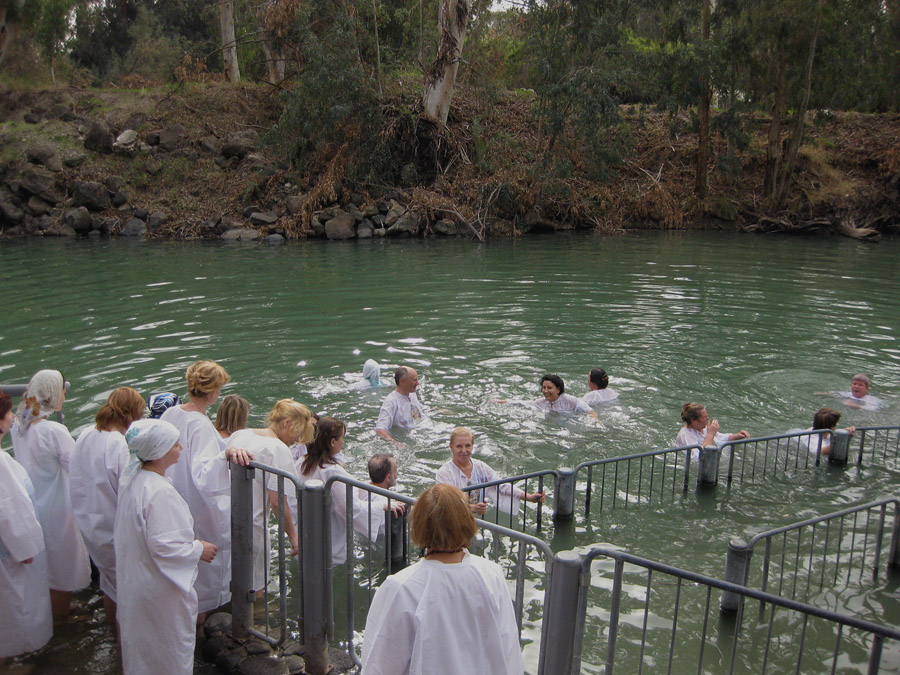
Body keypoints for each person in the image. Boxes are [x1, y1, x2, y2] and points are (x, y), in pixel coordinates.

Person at [360, 484, 525, 675]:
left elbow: (381, 663)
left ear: (419, 525)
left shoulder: (402, 587)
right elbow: (508, 647)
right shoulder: (492, 573)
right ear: (468, 521)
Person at [114, 418, 219, 675]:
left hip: (137, 582)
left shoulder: (133, 480)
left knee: (143, 647)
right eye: (175, 445)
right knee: (166, 648)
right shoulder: (158, 491)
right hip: (158, 590)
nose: (181, 448)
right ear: (159, 451)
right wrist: (198, 550)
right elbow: (165, 545)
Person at [159, 359, 239, 615]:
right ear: (213, 390)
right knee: (207, 567)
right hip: (199, 503)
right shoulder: (200, 424)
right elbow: (204, 473)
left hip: (175, 493)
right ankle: (203, 619)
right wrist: (226, 455)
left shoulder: (172, 413)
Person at [9, 369, 91, 617]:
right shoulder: (53, 431)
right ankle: (61, 618)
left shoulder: (17, 424)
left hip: (34, 502)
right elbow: (78, 468)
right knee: (63, 565)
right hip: (58, 506)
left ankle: (52, 610)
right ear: (53, 395)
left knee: (47, 564)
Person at [69, 386, 145, 625]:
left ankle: (112, 631)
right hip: (114, 526)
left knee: (109, 583)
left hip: (90, 521)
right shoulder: (118, 445)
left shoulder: (87, 434)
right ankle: (126, 638)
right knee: (127, 587)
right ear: (131, 414)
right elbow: (129, 488)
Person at [226, 399, 313, 590]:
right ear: (286, 423)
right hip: (252, 527)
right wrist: (293, 537)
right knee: (254, 586)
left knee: (229, 578)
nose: (297, 440)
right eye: (297, 433)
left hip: (225, 521)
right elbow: (277, 502)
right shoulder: (278, 449)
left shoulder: (241, 434)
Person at [0, 391, 53, 666]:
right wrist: (27, 550)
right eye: (7, 413)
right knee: (14, 614)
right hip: (10, 559)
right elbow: (10, 511)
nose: (12, 417)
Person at [299, 417, 375, 564]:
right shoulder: (333, 471)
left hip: (306, 537)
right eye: (342, 438)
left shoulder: (302, 462)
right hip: (330, 545)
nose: (343, 442)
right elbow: (351, 508)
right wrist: (381, 506)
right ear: (333, 442)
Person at [436, 427, 545, 515]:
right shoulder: (444, 473)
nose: (464, 450)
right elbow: (446, 504)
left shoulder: (480, 467)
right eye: (459, 446)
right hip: (453, 521)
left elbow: (501, 485)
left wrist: (529, 497)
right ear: (451, 447)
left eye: (467, 446)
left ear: (473, 446)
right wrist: (473, 508)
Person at [357, 453, 406, 540]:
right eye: (396, 469)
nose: (397, 473)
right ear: (388, 477)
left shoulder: (359, 488)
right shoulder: (387, 504)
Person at [375, 366, 427, 443]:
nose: (417, 383)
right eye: (414, 380)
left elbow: (418, 415)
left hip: (420, 432)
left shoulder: (412, 394)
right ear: (402, 381)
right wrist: (395, 443)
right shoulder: (391, 402)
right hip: (406, 439)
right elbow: (380, 429)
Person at [675, 403, 750, 455]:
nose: (707, 419)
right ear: (693, 420)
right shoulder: (686, 435)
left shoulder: (702, 428)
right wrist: (710, 434)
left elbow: (721, 437)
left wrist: (737, 436)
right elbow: (697, 457)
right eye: (704, 417)